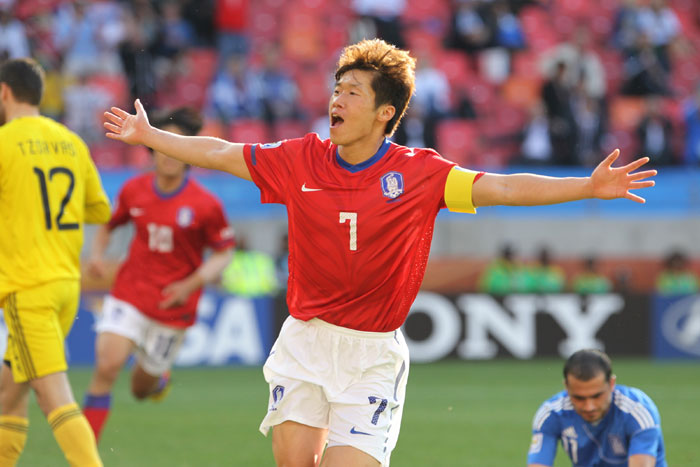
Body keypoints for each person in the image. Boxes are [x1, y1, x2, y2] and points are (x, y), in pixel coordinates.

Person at [102, 38, 656, 467]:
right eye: (336, 88)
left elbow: (503, 188)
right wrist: (151, 136)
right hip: (305, 338)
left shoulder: (419, 173)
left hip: (371, 356)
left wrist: (586, 186)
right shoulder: (299, 159)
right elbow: (222, 152)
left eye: (352, 93)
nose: (336, 100)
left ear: (385, 112)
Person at [82, 107, 235, 442]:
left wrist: (190, 284)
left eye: (176, 147)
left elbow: (224, 253)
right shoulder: (133, 190)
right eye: (161, 147)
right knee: (106, 366)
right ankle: (83, 457)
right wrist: (96, 256)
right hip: (130, 293)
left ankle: (158, 380)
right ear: (151, 151)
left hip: (172, 307)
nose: (167, 155)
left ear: (187, 154)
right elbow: (108, 227)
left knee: (141, 389)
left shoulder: (205, 204)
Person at [0, 58, 109, 466]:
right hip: (65, 284)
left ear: (4, 92)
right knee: (8, 395)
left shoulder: (5, 143)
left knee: (53, 397)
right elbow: (98, 208)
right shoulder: (71, 142)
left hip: (28, 289)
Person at [528, 349, 666, 467]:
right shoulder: (552, 414)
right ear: (566, 387)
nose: (589, 407)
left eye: (597, 396)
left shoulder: (637, 410)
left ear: (611, 384)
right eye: (579, 398)